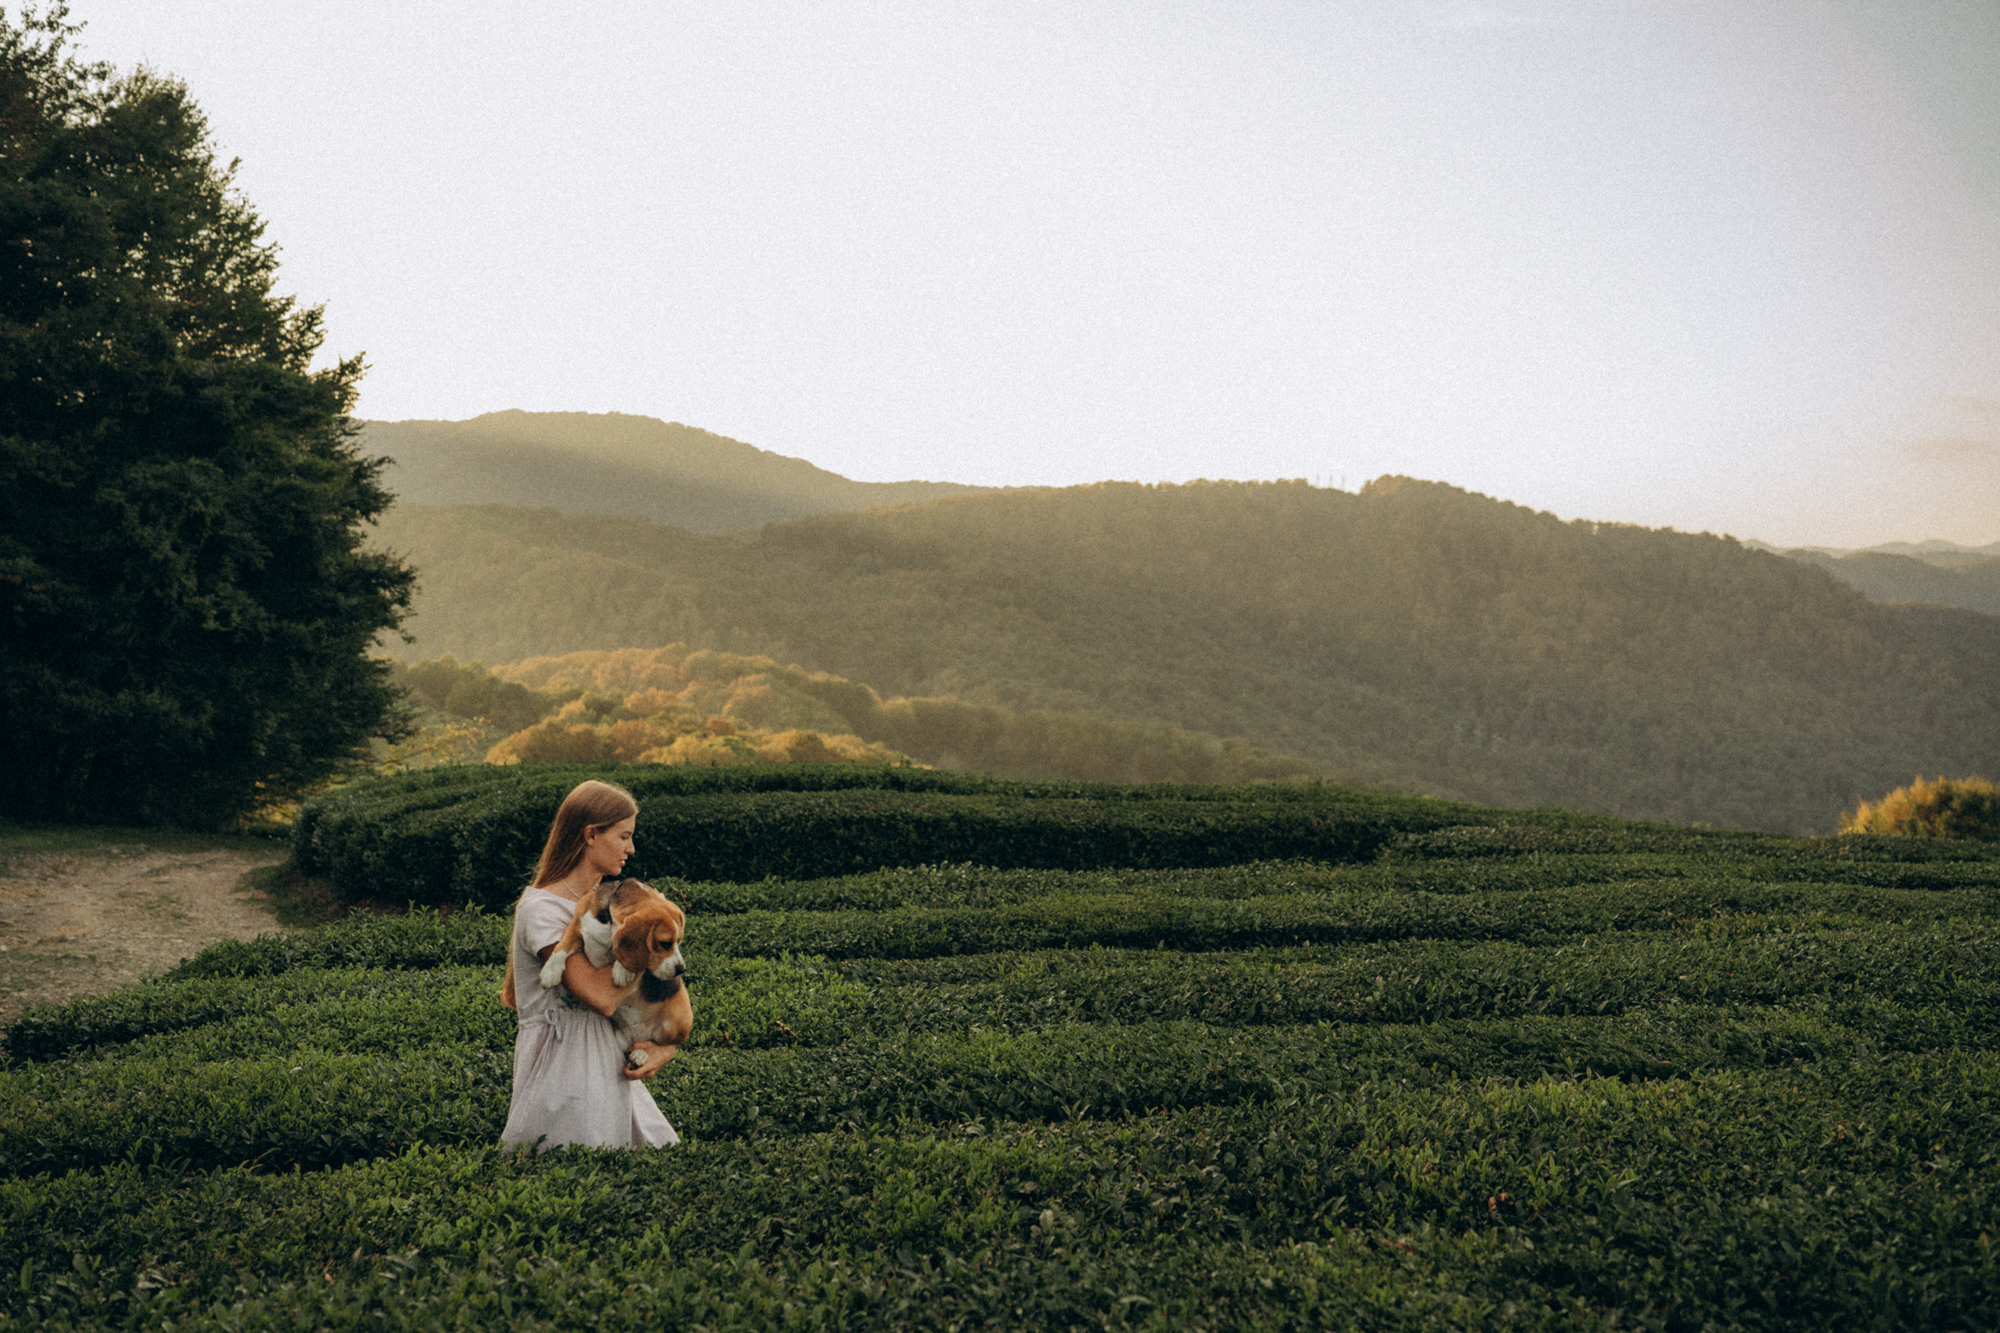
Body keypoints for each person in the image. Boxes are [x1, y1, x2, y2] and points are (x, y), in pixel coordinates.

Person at [499, 779, 679, 1151]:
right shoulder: (541, 910)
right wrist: (645, 937)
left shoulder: (619, 907)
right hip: (562, 1068)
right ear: (590, 835)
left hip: (612, 1062)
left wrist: (666, 1046)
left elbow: (664, 991)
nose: (631, 848)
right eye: (623, 836)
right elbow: (601, 996)